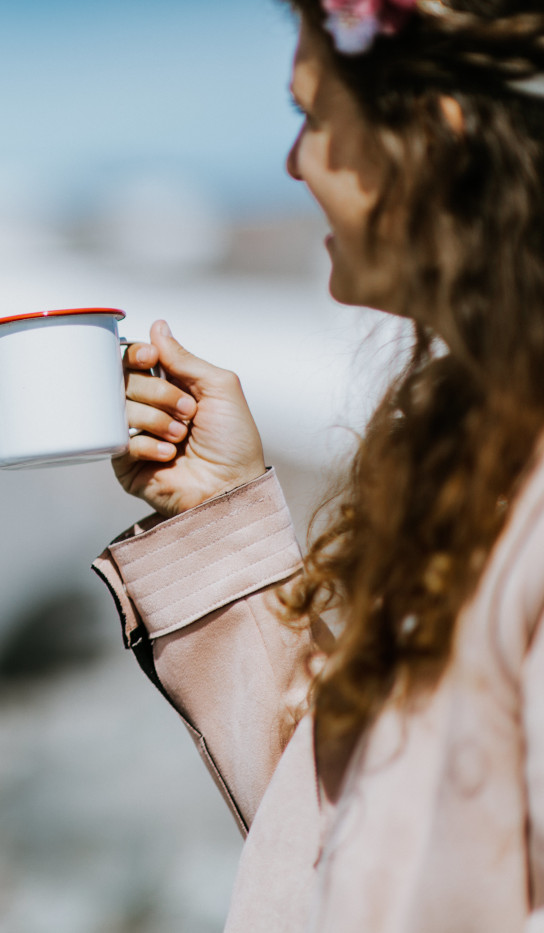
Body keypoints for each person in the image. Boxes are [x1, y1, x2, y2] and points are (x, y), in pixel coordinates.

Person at [94, 0, 544, 929]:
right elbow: (347, 848)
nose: (294, 160)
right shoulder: (478, 445)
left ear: (431, 137)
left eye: (312, 114)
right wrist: (215, 516)